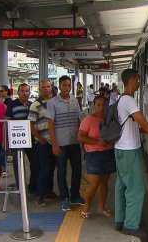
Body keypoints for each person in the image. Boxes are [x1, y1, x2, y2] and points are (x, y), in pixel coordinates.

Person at [114, 69, 148, 240]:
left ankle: (120, 220)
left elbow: (134, 126)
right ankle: (131, 226)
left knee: (122, 185)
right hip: (129, 150)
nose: (139, 83)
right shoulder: (128, 100)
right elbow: (143, 123)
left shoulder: (121, 99)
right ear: (131, 80)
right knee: (136, 188)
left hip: (121, 148)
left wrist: (145, 133)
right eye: (137, 80)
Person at [46, 75, 84, 211]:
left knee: (77, 169)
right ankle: (64, 198)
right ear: (60, 86)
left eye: (69, 85)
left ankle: (75, 195)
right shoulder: (52, 102)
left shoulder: (74, 100)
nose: (67, 88)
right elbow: (50, 124)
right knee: (61, 171)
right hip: (60, 143)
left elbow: (80, 120)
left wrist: (82, 138)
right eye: (64, 85)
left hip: (74, 141)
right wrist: (54, 144)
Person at [78, 95, 115, 219]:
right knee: (94, 183)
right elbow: (81, 137)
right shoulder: (88, 120)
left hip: (108, 152)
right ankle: (86, 206)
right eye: (98, 105)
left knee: (104, 182)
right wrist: (97, 142)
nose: (101, 107)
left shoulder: (109, 119)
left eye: (103, 105)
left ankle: (101, 207)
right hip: (93, 154)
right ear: (94, 106)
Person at [4, 83, 37, 194]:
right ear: (18, 93)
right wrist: (5, 139)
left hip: (31, 139)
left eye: (27, 91)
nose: (24, 93)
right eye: (22, 91)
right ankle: (20, 188)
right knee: (18, 165)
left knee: (35, 163)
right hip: (16, 140)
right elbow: (6, 122)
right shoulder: (12, 105)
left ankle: (32, 186)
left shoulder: (32, 105)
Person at [29, 80, 57, 207]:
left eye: (48, 87)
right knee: (44, 169)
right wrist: (40, 139)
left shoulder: (55, 102)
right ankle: (40, 196)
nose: (46, 89)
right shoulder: (35, 105)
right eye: (43, 87)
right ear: (39, 89)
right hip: (43, 143)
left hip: (55, 142)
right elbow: (31, 124)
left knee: (51, 168)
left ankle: (49, 192)